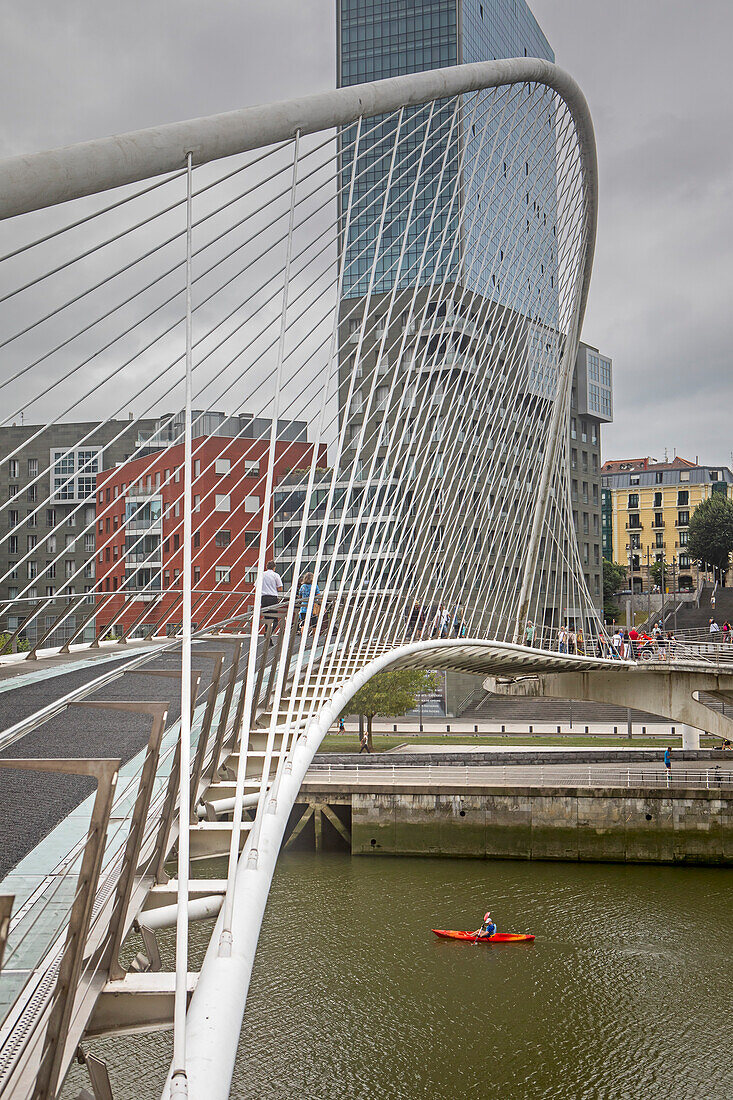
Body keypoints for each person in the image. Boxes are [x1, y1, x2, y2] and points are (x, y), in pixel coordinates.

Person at [299, 572, 322, 637]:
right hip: (312, 608)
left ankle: (303, 640)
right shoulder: (315, 586)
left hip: (303, 608)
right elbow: (318, 596)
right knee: (314, 624)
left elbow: (300, 596)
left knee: (303, 624)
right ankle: (314, 639)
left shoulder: (302, 586)